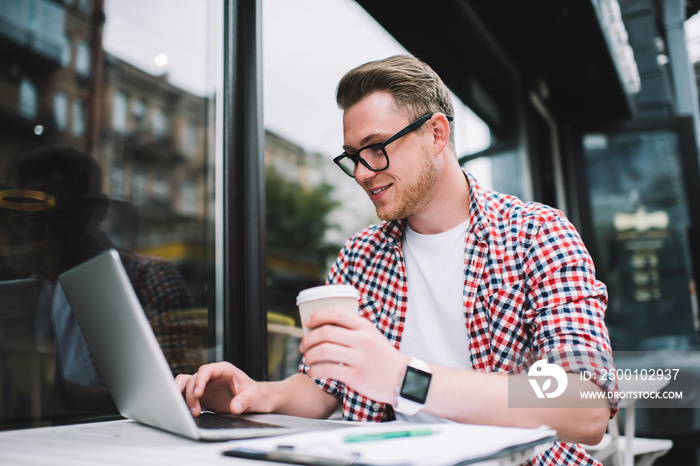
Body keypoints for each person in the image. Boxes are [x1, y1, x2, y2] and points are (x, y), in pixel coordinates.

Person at [177, 55, 616, 465]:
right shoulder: (360, 255)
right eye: (353, 158)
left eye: (375, 147)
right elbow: (325, 387)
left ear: (437, 134)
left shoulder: (537, 234)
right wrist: (256, 396)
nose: (364, 172)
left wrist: (403, 377)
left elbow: (586, 409)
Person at [8, 146, 202, 413]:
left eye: (61, 214)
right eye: (36, 217)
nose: (47, 229)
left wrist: (58, 397)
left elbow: (182, 393)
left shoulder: (149, 279)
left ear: (96, 211)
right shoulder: (31, 290)